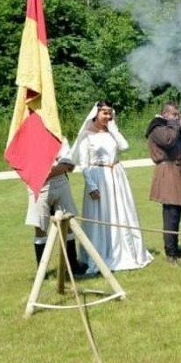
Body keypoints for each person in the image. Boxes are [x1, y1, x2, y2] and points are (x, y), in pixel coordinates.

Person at [72, 101, 153, 273]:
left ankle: (125, 251)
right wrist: (92, 186)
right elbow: (84, 164)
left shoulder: (111, 132)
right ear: (96, 113)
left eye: (110, 113)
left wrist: (114, 128)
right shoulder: (87, 135)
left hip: (117, 176)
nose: (108, 117)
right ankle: (100, 254)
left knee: (122, 213)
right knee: (101, 216)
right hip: (98, 178)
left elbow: (124, 146)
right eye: (105, 113)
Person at [25, 138, 87, 275]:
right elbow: (25, 166)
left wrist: (42, 173)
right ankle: (41, 271)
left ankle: (72, 264)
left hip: (60, 183)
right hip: (37, 188)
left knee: (68, 224)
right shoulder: (27, 138)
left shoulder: (58, 137)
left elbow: (68, 166)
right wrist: (56, 167)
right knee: (40, 227)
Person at [145, 101, 181, 266]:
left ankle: (175, 248)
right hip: (167, 170)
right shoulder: (157, 128)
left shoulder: (173, 127)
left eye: (177, 114)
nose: (176, 117)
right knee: (170, 214)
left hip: (178, 170)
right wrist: (174, 124)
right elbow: (169, 141)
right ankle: (171, 253)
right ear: (165, 114)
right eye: (174, 114)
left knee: (176, 213)